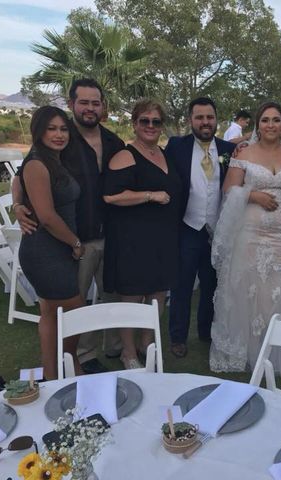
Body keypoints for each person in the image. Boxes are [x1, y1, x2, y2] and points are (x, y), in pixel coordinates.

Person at [13, 79, 125, 375]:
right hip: (70, 242)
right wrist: (16, 204)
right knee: (73, 306)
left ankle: (76, 362)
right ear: (72, 103)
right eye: (84, 102)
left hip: (108, 234)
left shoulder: (114, 142)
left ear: (103, 106)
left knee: (103, 295)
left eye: (95, 102)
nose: (90, 108)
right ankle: (78, 359)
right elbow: (22, 175)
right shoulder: (62, 141)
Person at [210, 102, 281, 375]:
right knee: (247, 287)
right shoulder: (244, 152)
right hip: (250, 231)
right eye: (265, 120)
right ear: (257, 125)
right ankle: (244, 348)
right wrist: (252, 195)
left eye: (276, 120)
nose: (270, 125)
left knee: (277, 289)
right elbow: (229, 188)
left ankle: (276, 349)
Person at [102, 100, 181, 369]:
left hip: (163, 237)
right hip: (132, 239)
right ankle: (127, 352)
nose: (150, 126)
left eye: (155, 122)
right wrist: (149, 195)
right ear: (134, 124)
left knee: (158, 293)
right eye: (144, 121)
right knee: (133, 297)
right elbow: (111, 196)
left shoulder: (163, 154)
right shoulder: (126, 155)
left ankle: (146, 341)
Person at [17, 106, 84, 380]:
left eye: (63, 128)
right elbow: (46, 216)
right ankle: (71, 363)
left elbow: (16, 181)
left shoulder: (51, 159)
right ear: (39, 131)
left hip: (54, 250)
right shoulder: (37, 162)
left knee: (49, 313)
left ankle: (52, 373)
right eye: (52, 128)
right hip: (45, 251)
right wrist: (75, 242)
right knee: (76, 311)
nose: (59, 134)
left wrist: (16, 202)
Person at [167, 97, 236, 358]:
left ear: (217, 119)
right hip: (186, 227)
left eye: (209, 117)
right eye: (199, 117)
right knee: (181, 286)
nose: (205, 122)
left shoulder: (229, 148)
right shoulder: (176, 147)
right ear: (191, 120)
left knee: (211, 285)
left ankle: (207, 332)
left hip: (217, 231)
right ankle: (178, 337)